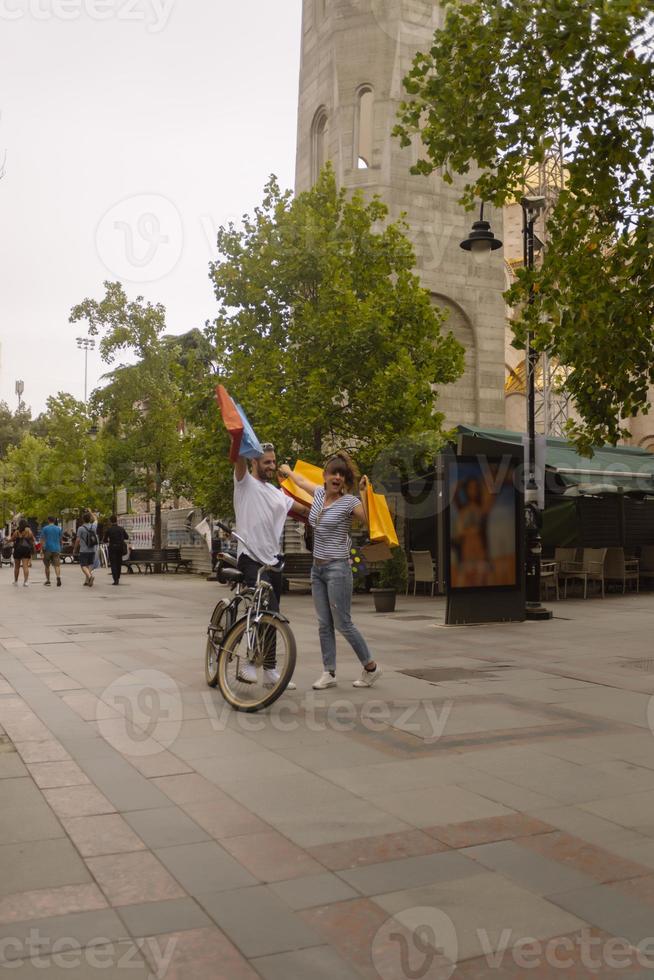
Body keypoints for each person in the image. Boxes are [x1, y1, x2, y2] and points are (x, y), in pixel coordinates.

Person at [278, 454, 382, 690]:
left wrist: (366, 494)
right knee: (324, 624)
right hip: (318, 569)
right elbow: (301, 481)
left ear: (345, 480)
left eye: (341, 475)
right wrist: (287, 471)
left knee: (343, 623)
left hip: (338, 568)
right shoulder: (318, 494)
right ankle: (329, 672)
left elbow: (368, 519)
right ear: (324, 476)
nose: (336, 477)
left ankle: (371, 667)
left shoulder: (350, 502)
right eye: (333, 473)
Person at [233, 442, 309, 688]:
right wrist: (238, 435)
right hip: (251, 557)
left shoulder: (278, 494)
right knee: (265, 609)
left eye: (273, 462)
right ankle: (248, 664)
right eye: (266, 462)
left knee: (272, 614)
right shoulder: (245, 483)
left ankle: (269, 672)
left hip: (273, 561)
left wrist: (337, 504)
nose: (272, 466)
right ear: (254, 462)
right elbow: (237, 458)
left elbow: (306, 511)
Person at [73, 511, 99, 587]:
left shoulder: (81, 528)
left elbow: (77, 540)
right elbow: (96, 519)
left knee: (83, 565)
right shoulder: (93, 526)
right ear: (90, 518)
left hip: (84, 550)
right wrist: (91, 512)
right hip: (92, 549)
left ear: (83, 519)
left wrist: (75, 549)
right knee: (90, 565)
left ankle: (90, 577)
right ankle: (87, 581)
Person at [103, 515, 129, 585]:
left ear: (110, 521)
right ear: (116, 520)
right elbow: (127, 537)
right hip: (120, 548)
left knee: (113, 563)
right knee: (118, 563)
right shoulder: (121, 529)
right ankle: (118, 576)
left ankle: (115, 579)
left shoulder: (109, 530)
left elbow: (104, 540)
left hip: (112, 548)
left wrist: (108, 540)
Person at [10, 519, 36, 587]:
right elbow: (33, 540)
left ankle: (16, 581)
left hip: (18, 550)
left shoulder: (17, 532)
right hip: (26, 550)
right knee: (25, 566)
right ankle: (26, 582)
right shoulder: (29, 531)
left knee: (17, 567)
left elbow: (12, 539)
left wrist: (7, 541)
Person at [40, 517, 63, 587]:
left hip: (47, 549)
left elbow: (42, 539)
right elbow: (60, 539)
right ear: (54, 520)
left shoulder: (45, 528)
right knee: (57, 565)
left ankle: (48, 581)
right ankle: (58, 577)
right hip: (56, 548)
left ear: (48, 520)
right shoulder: (58, 528)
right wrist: (60, 548)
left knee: (47, 566)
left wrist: (41, 549)